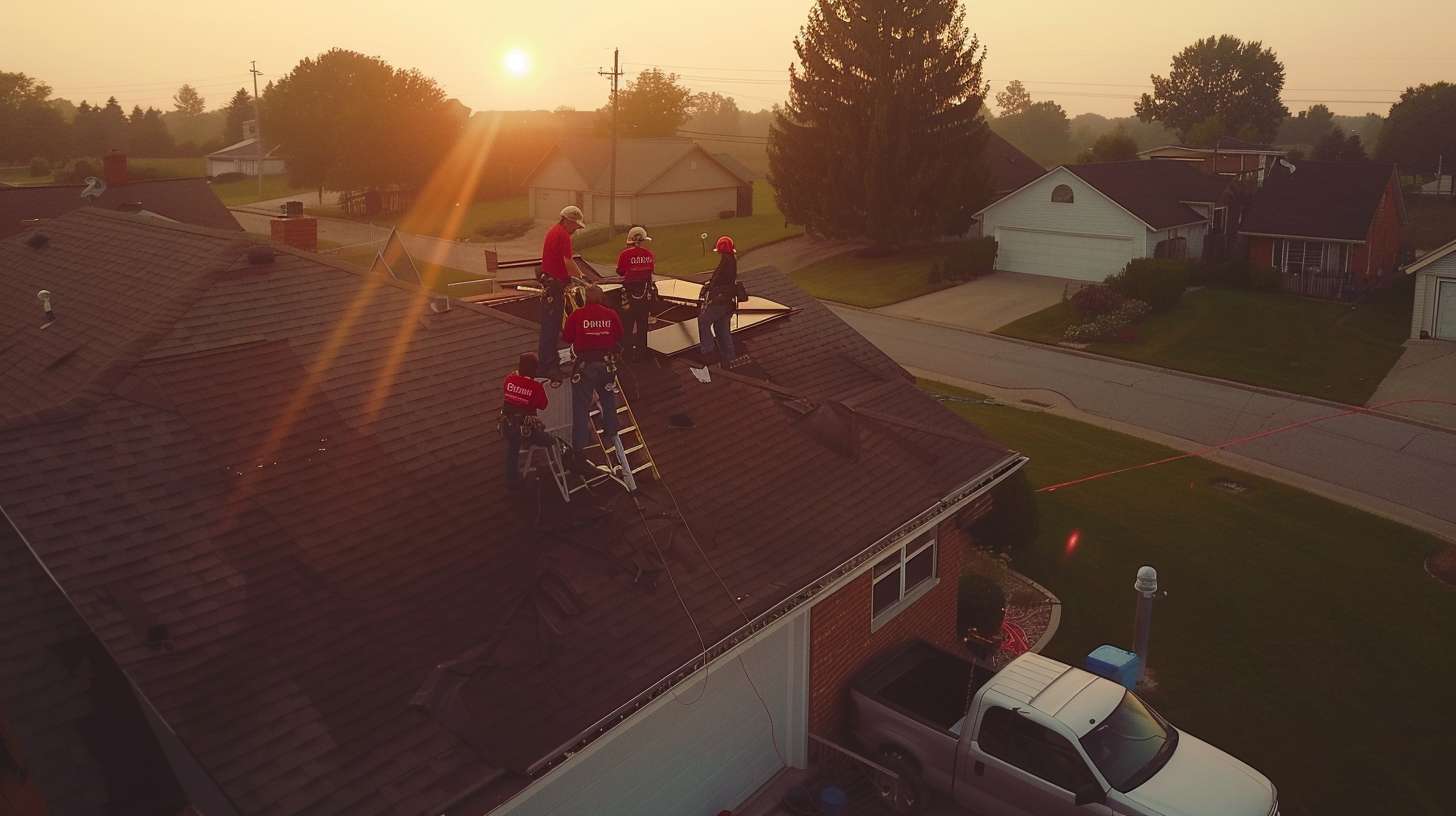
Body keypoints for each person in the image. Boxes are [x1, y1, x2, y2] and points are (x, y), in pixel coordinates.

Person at [561, 285, 624, 468]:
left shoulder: (578, 315)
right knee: (608, 398)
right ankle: (611, 430)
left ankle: (579, 447)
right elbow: (619, 335)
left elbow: (567, 337)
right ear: (601, 298)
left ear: (585, 298)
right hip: (607, 366)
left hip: (586, 367)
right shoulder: (611, 314)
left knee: (581, 407)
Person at [537, 205, 587, 375]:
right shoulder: (563, 235)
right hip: (555, 285)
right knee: (551, 327)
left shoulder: (554, 231)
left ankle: (548, 361)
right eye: (575, 226)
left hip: (550, 282)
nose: (576, 230)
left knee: (551, 326)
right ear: (568, 221)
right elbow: (568, 261)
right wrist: (582, 279)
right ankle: (547, 366)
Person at [500, 352, 552, 491]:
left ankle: (511, 481)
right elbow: (543, 405)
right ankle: (550, 469)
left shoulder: (509, 379)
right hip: (526, 429)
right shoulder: (535, 387)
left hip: (508, 425)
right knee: (550, 440)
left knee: (513, 450)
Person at [615, 226, 655, 361]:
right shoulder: (649, 255)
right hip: (644, 293)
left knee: (628, 324)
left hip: (629, 293)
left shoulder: (625, 254)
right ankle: (641, 353)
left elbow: (620, 271)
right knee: (642, 324)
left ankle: (626, 353)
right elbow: (650, 272)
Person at [698, 235, 739, 366]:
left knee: (704, 321)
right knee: (721, 327)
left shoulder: (726, 263)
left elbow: (719, 280)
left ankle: (708, 352)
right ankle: (729, 358)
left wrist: (709, 287)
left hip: (721, 301)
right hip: (728, 303)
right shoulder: (731, 261)